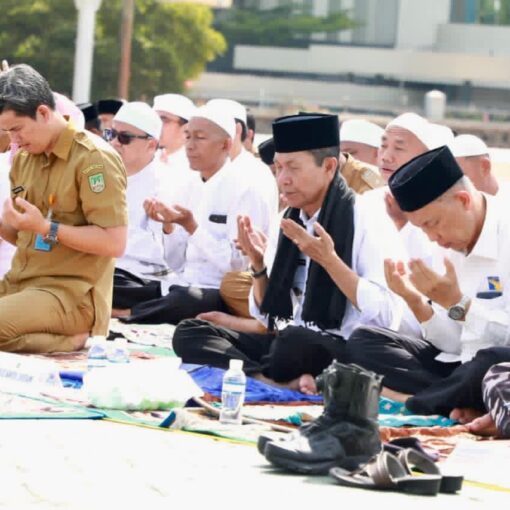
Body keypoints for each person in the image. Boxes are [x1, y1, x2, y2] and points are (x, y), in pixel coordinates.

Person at [172, 112, 404, 393]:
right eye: (279, 168)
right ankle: (268, 379)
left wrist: (330, 262)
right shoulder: (287, 219)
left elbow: (386, 317)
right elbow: (268, 317)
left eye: (293, 168)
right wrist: (258, 264)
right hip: (289, 340)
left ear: (329, 167)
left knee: (294, 343)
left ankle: (266, 374)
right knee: (190, 332)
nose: (283, 179)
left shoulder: (367, 217)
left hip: (339, 346)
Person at [346, 145, 510, 417]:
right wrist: (414, 300)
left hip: (499, 369)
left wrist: (458, 304)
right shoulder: (446, 245)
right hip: (461, 367)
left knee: (491, 360)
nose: (432, 237)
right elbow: (453, 344)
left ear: (463, 200)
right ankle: (454, 400)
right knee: (364, 340)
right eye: (422, 228)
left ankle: (413, 402)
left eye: (432, 224)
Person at [0, 64, 127, 352]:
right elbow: (25, 238)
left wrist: (45, 227)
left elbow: (114, 243)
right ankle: (62, 342)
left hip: (71, 294)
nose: (13, 140)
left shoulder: (93, 159)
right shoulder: (24, 159)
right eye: (6, 132)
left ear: (43, 112)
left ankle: (73, 340)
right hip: (21, 283)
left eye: (17, 129)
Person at [118, 104, 270, 325]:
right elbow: (176, 263)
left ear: (226, 144)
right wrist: (169, 227)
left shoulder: (245, 189)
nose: (190, 145)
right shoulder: (188, 185)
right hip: (179, 283)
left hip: (217, 291)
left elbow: (236, 266)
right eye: (188, 137)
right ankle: (133, 310)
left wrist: (192, 228)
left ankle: (124, 314)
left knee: (189, 300)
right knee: (116, 281)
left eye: (200, 138)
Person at [106, 102, 170, 312]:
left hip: (137, 276)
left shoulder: (167, 184)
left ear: (151, 145)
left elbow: (161, 250)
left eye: (124, 138)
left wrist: (106, 237)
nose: (114, 143)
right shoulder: (99, 172)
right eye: (111, 134)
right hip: (100, 265)